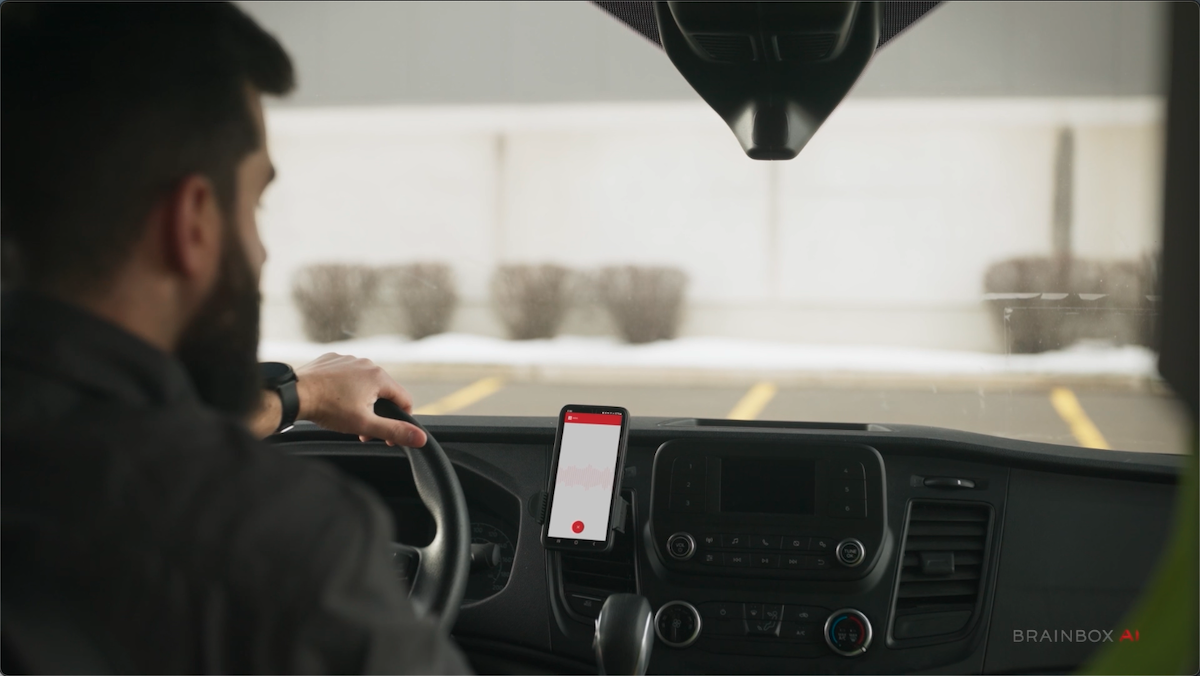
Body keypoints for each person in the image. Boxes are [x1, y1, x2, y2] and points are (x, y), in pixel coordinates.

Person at [0, 3, 470, 673]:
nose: (259, 248)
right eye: (254, 203)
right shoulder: (280, 547)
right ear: (192, 222)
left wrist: (297, 395)